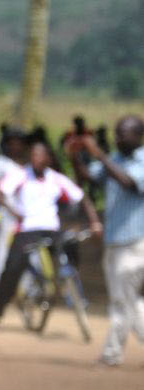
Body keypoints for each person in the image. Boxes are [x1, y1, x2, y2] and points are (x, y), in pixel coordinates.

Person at [0, 138, 102, 328]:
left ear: (48, 158)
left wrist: (95, 222)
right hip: (26, 230)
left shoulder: (56, 179)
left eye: (40, 155)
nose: (36, 159)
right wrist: (12, 210)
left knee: (71, 245)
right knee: (12, 269)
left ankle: (68, 285)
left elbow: (82, 198)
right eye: (33, 155)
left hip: (50, 229)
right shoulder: (20, 175)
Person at [73, 116, 144, 366]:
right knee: (129, 301)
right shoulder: (114, 159)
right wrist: (75, 153)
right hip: (114, 242)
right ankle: (113, 353)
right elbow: (89, 178)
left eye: (123, 134)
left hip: (135, 243)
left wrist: (99, 154)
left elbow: (129, 182)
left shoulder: (141, 161)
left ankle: (111, 354)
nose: (118, 138)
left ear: (139, 136)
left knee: (120, 303)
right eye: (117, 133)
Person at [0, 128, 28, 290]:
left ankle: (26, 288)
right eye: (12, 143)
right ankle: (0, 288)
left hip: (26, 218)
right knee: (2, 252)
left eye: (19, 143)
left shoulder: (29, 164)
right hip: (5, 216)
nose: (15, 147)